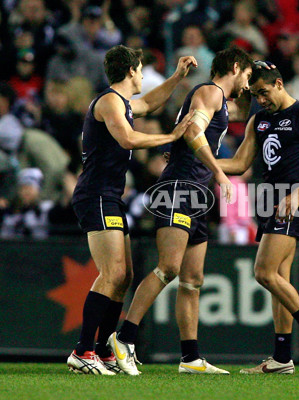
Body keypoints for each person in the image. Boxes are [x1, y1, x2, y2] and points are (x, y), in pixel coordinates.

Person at [108, 47, 254, 376]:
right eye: (246, 75)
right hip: (180, 187)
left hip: (197, 193)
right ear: (234, 68)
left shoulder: (219, 99)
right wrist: (218, 173)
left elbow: (218, 126)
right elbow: (192, 131)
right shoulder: (210, 92)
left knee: (193, 279)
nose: (247, 83)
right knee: (168, 267)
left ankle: (190, 358)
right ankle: (125, 338)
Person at [66, 44, 196, 375]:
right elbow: (127, 139)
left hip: (109, 196)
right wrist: (171, 135)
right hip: (96, 195)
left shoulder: (121, 103)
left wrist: (177, 76)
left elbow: (151, 102)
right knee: (111, 274)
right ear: (130, 72)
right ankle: (82, 351)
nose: (142, 76)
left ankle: (103, 350)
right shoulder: (109, 101)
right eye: (140, 70)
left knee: (123, 277)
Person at [217, 65, 299, 374]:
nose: (261, 99)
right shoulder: (259, 120)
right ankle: (282, 357)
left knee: (263, 272)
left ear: (279, 84)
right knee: (278, 278)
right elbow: (241, 163)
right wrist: (198, 159)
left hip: (293, 202)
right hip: (270, 202)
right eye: (255, 95)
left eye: (264, 93)